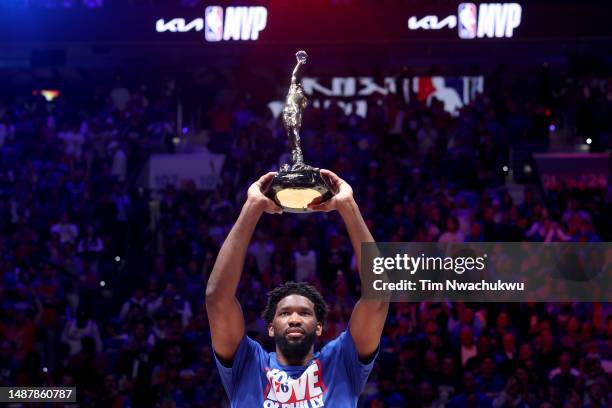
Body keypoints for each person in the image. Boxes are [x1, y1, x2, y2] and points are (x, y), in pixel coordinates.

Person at [206, 170, 389, 407]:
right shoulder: (248, 364)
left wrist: (348, 205)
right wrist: (252, 206)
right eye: (284, 313)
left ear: (320, 327)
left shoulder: (341, 362)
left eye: (304, 313)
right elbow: (216, 299)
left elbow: (379, 297)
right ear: (270, 328)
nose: (294, 319)